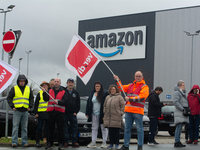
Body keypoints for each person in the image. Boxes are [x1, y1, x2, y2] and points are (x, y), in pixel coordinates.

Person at [113, 71, 149, 150]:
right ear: (134, 77)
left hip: (138, 111)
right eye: (137, 76)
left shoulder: (144, 87)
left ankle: (140, 146)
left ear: (142, 77)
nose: (138, 77)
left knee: (139, 129)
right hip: (129, 111)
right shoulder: (130, 85)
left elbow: (142, 97)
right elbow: (120, 88)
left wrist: (130, 99)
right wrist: (117, 80)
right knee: (127, 129)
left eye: (139, 76)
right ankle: (126, 145)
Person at [7, 74, 34, 147]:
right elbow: (9, 98)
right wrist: (12, 106)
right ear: (18, 82)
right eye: (20, 81)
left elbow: (31, 98)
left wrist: (30, 106)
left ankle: (24, 142)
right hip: (17, 111)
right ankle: (14, 142)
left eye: (23, 81)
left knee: (24, 128)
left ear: (25, 82)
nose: (22, 82)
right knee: (15, 127)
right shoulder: (14, 88)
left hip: (25, 111)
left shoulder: (28, 89)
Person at [43, 78, 68, 150]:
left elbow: (65, 101)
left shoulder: (64, 91)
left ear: (60, 82)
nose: (56, 83)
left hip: (60, 113)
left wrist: (59, 102)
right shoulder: (50, 90)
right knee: (50, 129)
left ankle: (61, 144)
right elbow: (46, 99)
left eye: (57, 82)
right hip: (51, 113)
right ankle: (49, 143)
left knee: (60, 129)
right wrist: (44, 92)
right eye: (55, 82)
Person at [86, 81, 109, 148]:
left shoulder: (104, 93)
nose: (97, 87)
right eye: (96, 86)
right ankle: (93, 141)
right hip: (93, 114)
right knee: (94, 128)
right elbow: (88, 103)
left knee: (104, 128)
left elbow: (110, 94)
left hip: (102, 114)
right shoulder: (92, 93)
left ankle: (104, 142)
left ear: (101, 87)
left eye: (98, 86)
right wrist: (87, 112)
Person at [103, 84, 125, 149]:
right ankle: (111, 144)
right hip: (109, 117)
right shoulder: (107, 97)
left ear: (116, 90)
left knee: (116, 132)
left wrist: (120, 113)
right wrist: (105, 111)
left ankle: (117, 144)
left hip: (116, 117)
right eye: (111, 89)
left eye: (114, 89)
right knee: (111, 131)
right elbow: (104, 105)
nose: (112, 90)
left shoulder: (120, 97)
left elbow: (123, 106)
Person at [64, 78, 80, 148]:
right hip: (64, 113)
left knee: (74, 128)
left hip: (73, 114)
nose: (71, 84)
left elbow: (78, 104)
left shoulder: (76, 93)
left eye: (72, 83)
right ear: (67, 83)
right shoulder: (63, 92)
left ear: (73, 84)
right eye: (69, 82)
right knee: (65, 128)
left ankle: (74, 141)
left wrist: (76, 112)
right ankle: (66, 142)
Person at [173, 80, 189, 148]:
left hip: (182, 113)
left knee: (180, 127)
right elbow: (176, 102)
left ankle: (178, 141)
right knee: (178, 127)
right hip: (180, 112)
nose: (184, 86)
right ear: (179, 86)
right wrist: (183, 109)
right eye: (183, 85)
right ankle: (177, 141)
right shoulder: (177, 92)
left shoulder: (183, 93)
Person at [34, 81, 50, 147]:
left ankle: (47, 141)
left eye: (46, 85)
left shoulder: (49, 93)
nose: (44, 86)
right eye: (43, 85)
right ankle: (37, 141)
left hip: (47, 113)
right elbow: (36, 104)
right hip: (40, 113)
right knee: (39, 128)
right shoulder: (39, 93)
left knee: (47, 128)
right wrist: (36, 112)